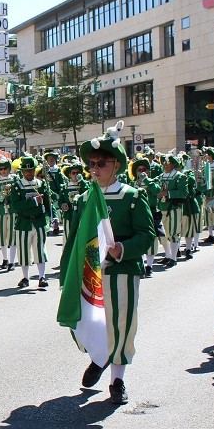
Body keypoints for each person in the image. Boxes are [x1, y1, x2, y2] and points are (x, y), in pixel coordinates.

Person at [70, 129, 155, 405]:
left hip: (121, 271)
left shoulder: (132, 196)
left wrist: (123, 249)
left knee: (121, 323)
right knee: (86, 322)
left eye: (101, 163)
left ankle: (117, 380)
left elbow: (147, 234)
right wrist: (67, 272)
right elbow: (73, 238)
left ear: (116, 165)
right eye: (91, 164)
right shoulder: (84, 199)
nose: (95, 169)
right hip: (89, 273)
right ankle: (100, 355)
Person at [10, 155, 53, 289]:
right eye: (26, 171)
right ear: (22, 171)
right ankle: (25, 277)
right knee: (24, 251)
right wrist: (34, 201)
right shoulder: (17, 186)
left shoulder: (41, 184)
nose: (29, 173)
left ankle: (42, 277)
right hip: (23, 222)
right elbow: (15, 206)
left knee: (40, 250)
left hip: (39, 221)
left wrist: (53, 217)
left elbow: (48, 203)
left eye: (31, 170)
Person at [0, 157, 19, 271]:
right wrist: (1, 195)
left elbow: (19, 192)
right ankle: (5, 259)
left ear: (9, 169)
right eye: (1, 169)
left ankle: (12, 262)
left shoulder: (15, 179)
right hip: (1, 211)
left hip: (13, 210)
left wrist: (12, 192)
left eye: (5, 168)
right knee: (2, 235)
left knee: (13, 235)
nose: (3, 171)